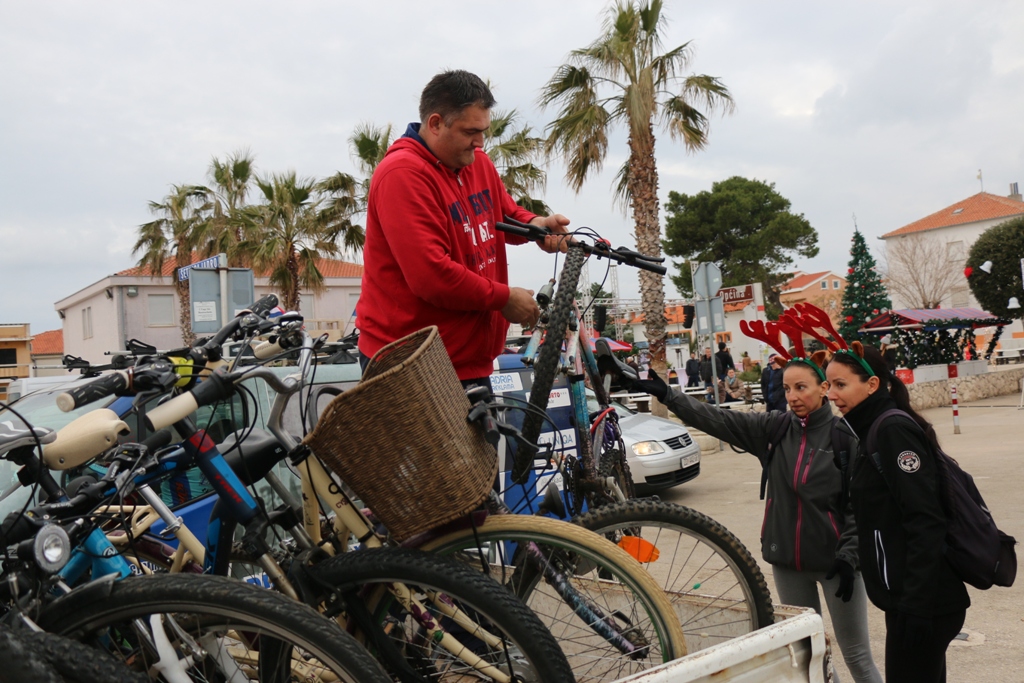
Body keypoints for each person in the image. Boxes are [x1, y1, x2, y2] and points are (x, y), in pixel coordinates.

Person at [619, 351, 882, 683]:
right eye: (787, 389)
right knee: (808, 655)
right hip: (787, 563)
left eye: (801, 387)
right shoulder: (775, 428)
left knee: (857, 656)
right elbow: (717, 419)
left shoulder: (846, 437)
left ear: (823, 388)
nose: (793, 397)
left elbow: (860, 509)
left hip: (838, 566)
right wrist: (668, 395)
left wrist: (850, 557)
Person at [356, 70, 571, 388]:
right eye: (470, 131)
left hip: (469, 361)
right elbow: (432, 276)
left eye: (483, 130)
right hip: (409, 364)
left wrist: (536, 226)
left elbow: (503, 215)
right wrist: (504, 299)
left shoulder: (477, 162)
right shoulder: (402, 175)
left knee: (483, 440)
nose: (480, 142)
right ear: (435, 124)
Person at [827, 342, 970, 683]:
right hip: (909, 598)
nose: (830, 394)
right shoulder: (868, 428)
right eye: (829, 384)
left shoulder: (890, 430)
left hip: (924, 602)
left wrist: (916, 606)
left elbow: (926, 519)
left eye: (840, 384)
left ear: (872, 384)